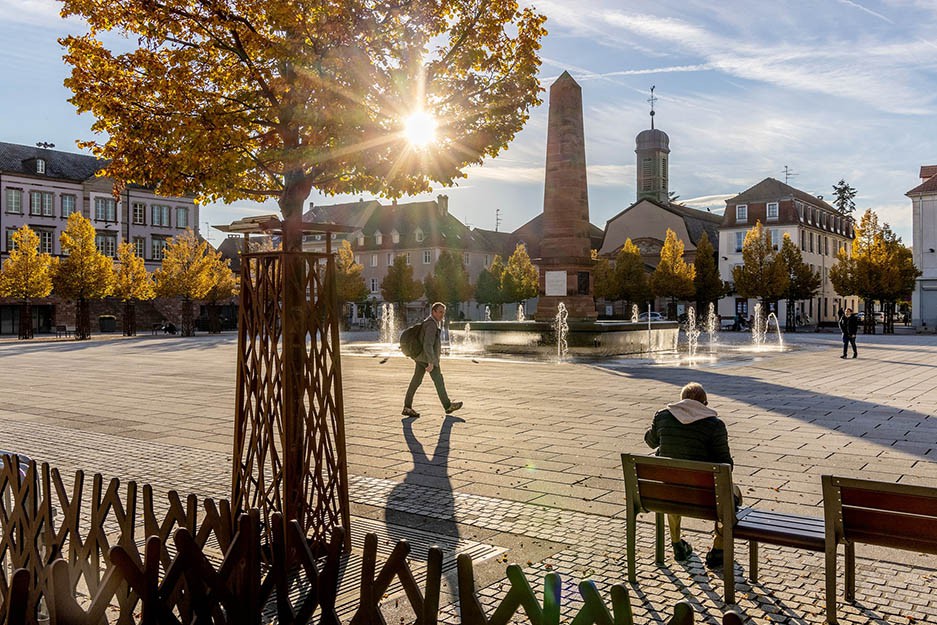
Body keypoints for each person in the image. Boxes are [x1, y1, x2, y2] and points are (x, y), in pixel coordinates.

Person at [644, 382, 736, 569]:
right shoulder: (715, 425)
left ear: (681, 401)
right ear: (705, 403)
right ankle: (718, 550)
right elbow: (727, 465)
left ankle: (677, 544)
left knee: (673, 487)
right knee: (733, 495)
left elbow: (650, 442)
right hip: (705, 497)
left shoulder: (662, 416)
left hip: (665, 494)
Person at [402, 302, 462, 418]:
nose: (442, 315)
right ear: (433, 312)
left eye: (443, 312)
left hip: (421, 357)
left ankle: (407, 407)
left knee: (416, 381)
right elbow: (428, 345)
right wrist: (431, 362)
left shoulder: (429, 322)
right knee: (439, 381)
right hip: (427, 359)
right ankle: (447, 406)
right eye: (440, 312)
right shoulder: (431, 325)